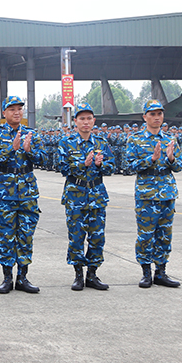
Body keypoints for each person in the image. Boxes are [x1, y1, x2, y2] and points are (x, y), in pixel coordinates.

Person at [0, 96, 46, 294]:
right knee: (6, 235)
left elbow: (43, 159)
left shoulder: (31, 133)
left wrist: (29, 151)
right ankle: (6, 277)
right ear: (4, 113)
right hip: (5, 193)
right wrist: (11, 149)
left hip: (28, 192)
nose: (17, 112)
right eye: (12, 109)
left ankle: (23, 277)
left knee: (26, 235)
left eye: (19, 109)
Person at [125, 100, 182, 288]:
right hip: (146, 193)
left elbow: (181, 166)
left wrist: (171, 158)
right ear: (145, 117)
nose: (156, 117)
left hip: (167, 192)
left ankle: (161, 271)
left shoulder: (170, 139)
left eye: (159, 114)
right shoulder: (135, 139)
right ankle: (145, 272)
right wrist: (151, 159)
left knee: (164, 234)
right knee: (146, 234)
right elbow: (129, 166)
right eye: (152, 114)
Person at [57, 103, 115, 291]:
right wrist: (83, 164)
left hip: (97, 195)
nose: (86, 122)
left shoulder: (101, 143)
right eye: (82, 118)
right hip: (76, 196)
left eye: (89, 118)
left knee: (97, 237)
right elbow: (63, 168)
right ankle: (78, 275)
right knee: (76, 237)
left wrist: (98, 166)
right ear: (75, 121)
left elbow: (112, 167)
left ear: (94, 121)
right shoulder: (67, 143)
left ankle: (92, 273)